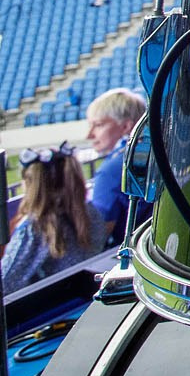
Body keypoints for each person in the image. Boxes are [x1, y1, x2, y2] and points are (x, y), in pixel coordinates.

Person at [3, 145, 102, 291]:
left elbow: (5, 283)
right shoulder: (90, 212)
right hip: (81, 298)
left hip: (51, 308)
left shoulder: (34, 228)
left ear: (30, 184)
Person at [83, 87, 146, 244]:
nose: (89, 135)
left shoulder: (112, 169)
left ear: (125, 127)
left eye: (98, 125)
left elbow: (95, 237)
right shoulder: (153, 152)